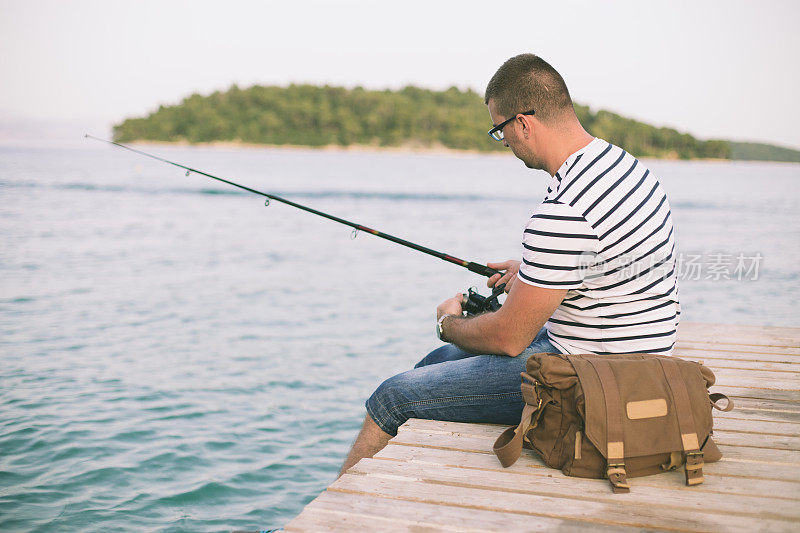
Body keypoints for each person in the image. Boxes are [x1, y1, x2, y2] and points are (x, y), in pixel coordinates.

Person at [339, 53, 680, 476]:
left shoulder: (564, 209)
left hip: (591, 380)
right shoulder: (627, 170)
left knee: (391, 397)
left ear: (523, 123)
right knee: (434, 363)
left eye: (500, 130)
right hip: (642, 356)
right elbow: (616, 262)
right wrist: (534, 272)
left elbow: (508, 338)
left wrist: (448, 322)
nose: (505, 143)